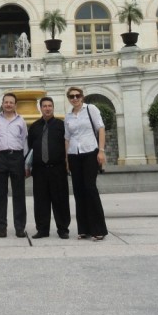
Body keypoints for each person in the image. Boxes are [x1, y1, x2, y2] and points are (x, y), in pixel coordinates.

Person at [64, 86, 108, 241]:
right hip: (74, 155)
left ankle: (98, 229)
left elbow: (101, 128)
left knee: (90, 188)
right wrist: (67, 159)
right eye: (71, 96)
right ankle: (84, 229)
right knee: (78, 190)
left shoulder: (91, 109)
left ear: (82, 97)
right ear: (68, 98)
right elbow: (67, 138)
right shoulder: (68, 116)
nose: (74, 98)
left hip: (90, 152)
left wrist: (101, 151)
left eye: (77, 96)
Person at [26, 95, 71, 239]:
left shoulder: (61, 125)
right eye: (44, 106)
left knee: (60, 200)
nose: (47, 108)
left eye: (49, 106)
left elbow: (67, 144)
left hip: (57, 168)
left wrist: (67, 164)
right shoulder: (34, 127)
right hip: (39, 170)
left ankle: (63, 229)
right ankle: (42, 229)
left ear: (53, 108)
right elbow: (30, 146)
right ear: (40, 108)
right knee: (40, 201)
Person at [0, 92, 28, 238]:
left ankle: (20, 227)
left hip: (17, 158)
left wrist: (26, 164)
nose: (8, 104)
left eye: (11, 102)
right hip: (0, 158)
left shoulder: (21, 120)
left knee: (19, 194)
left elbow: (25, 143)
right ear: (2, 104)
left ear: (15, 105)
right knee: (0, 194)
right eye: (6, 102)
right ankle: (1, 227)